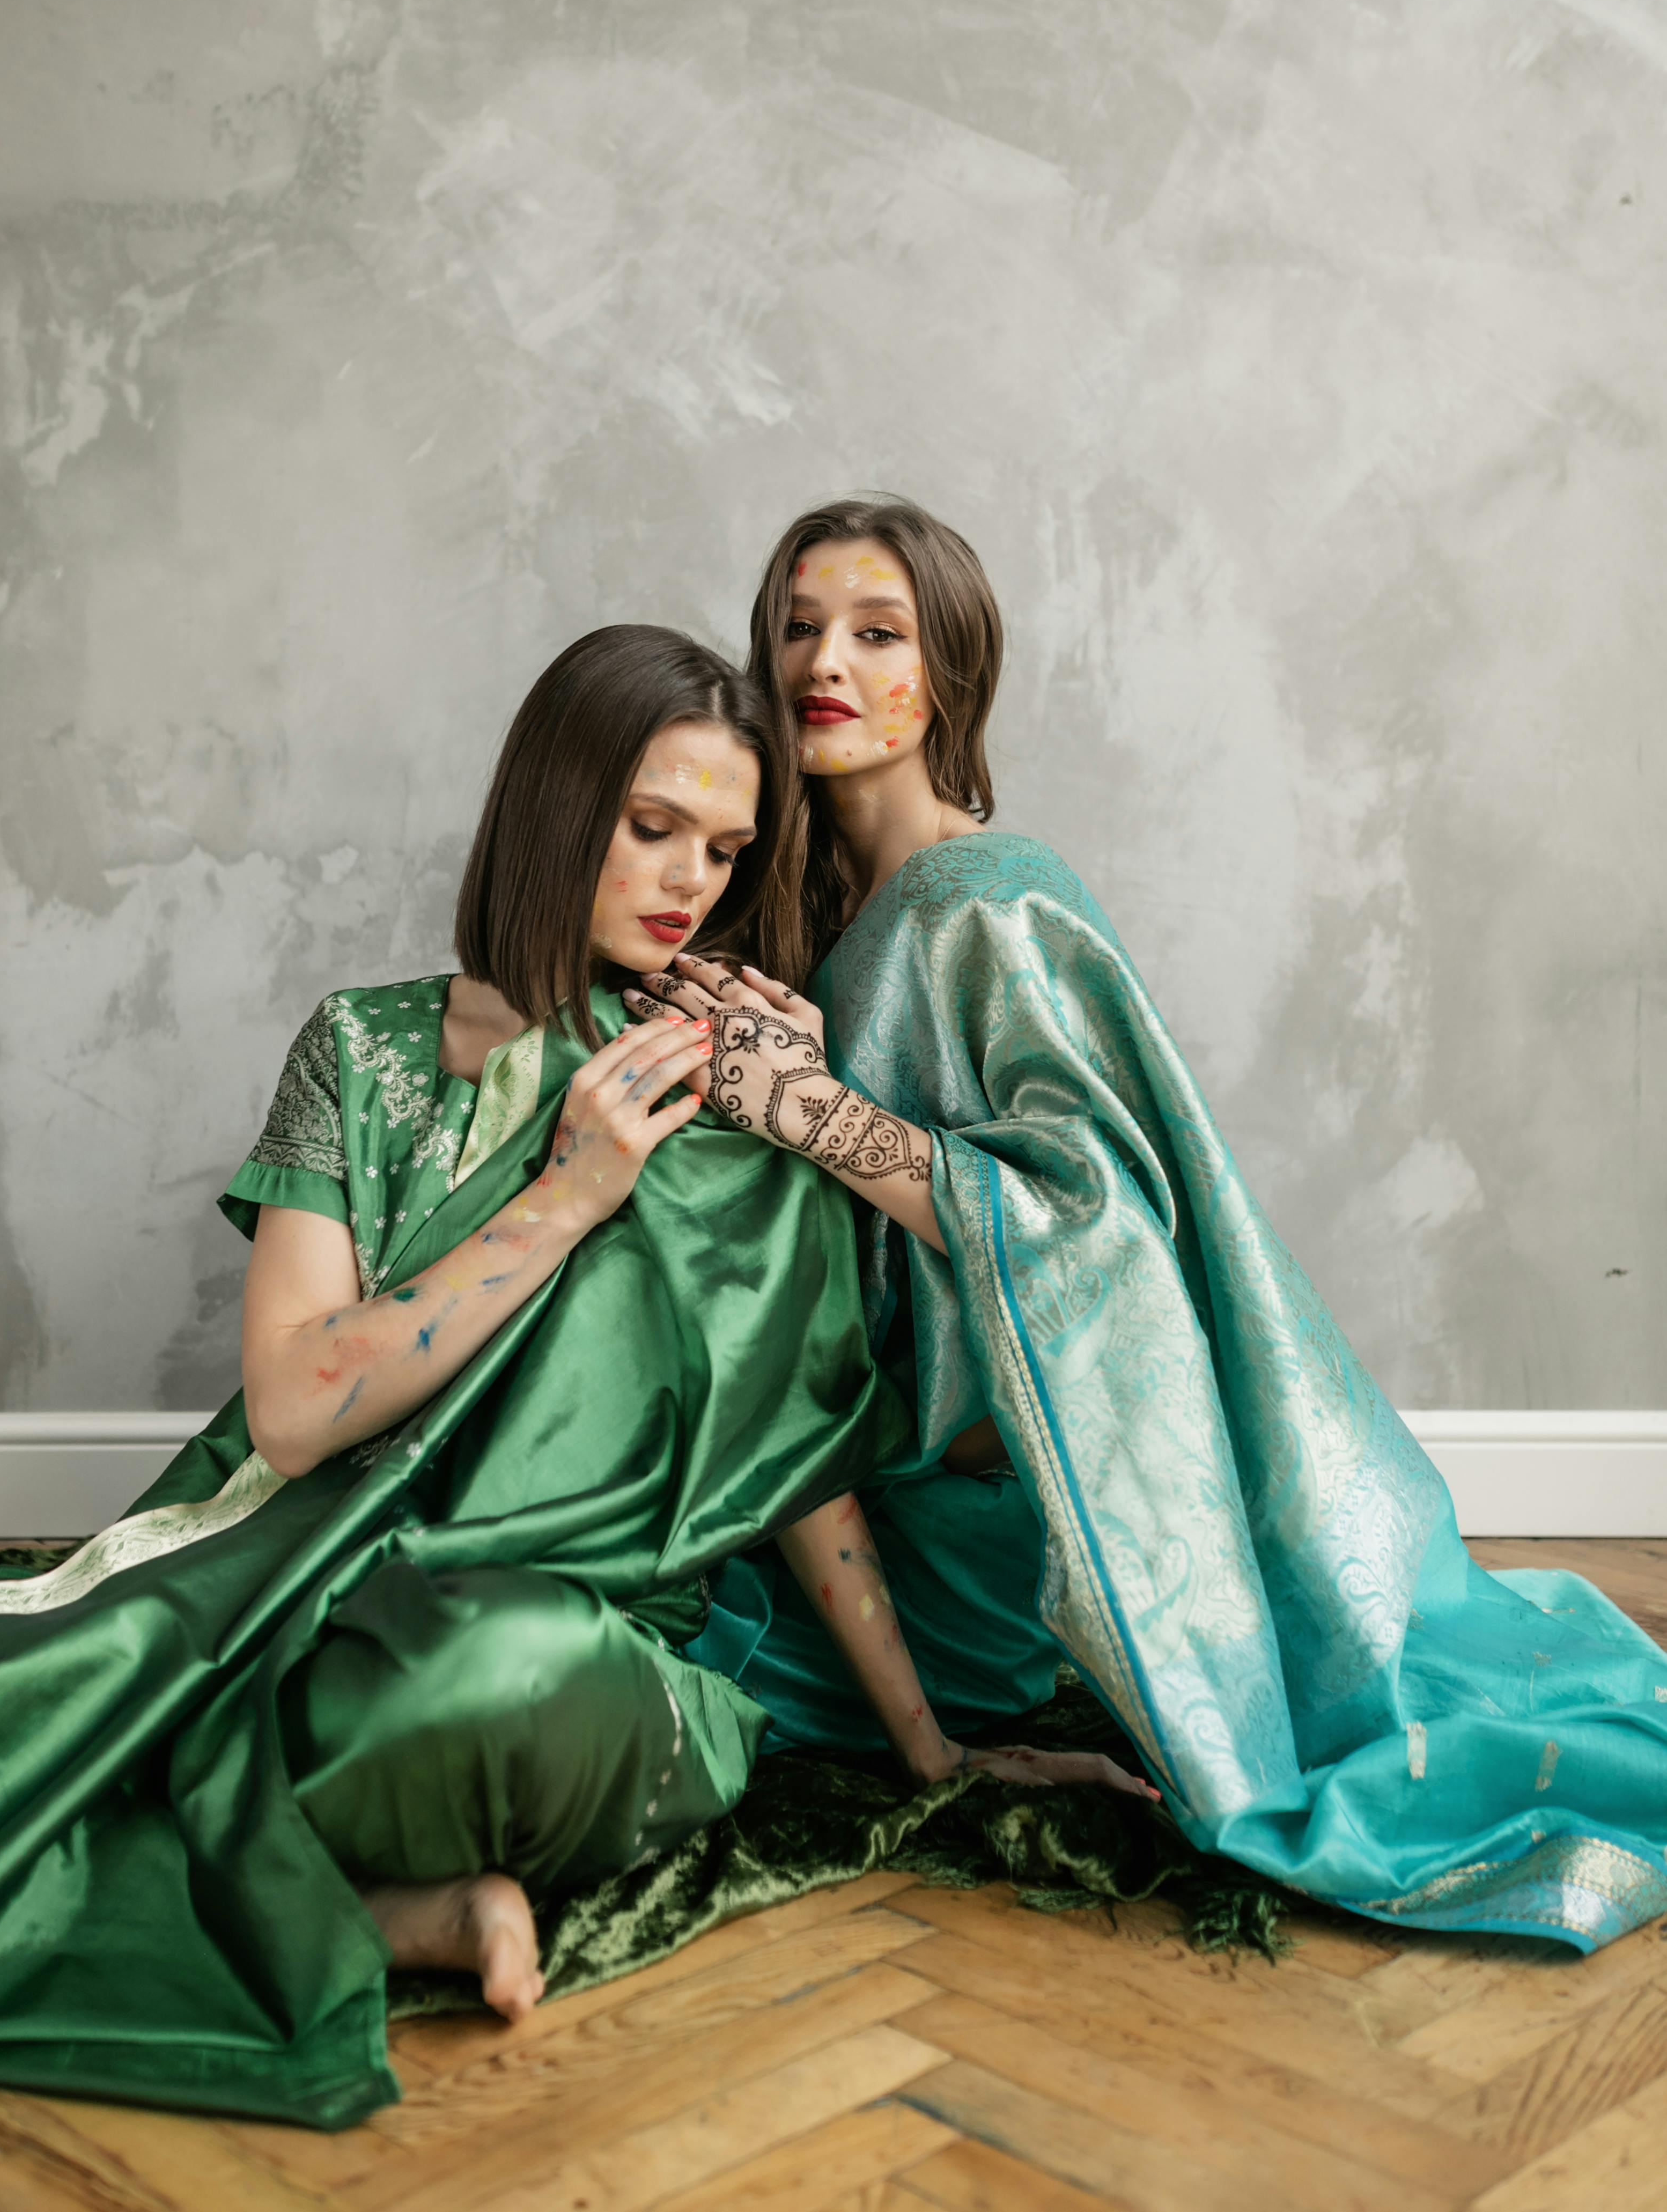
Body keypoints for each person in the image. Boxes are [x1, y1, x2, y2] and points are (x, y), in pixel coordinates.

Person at [0, 627, 923, 2129]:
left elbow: (790, 1450)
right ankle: (396, 1911)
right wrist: (568, 1193)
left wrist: (931, 1743)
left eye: (724, 846)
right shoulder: (367, 1048)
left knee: (475, 1674)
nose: (689, 879)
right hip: (292, 1582)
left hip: (571, 1653)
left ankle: (301, 1877)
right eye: (651, 828)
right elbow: (296, 1409)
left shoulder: (725, 1076)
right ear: (555, 805)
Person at [638, 499, 1667, 1952]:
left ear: (955, 675)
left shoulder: (994, 907)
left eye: (880, 634)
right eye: (800, 627)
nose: (826, 661)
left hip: (980, 1510)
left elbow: (1095, 1232)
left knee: (670, 1644)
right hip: (845, 1458)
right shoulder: (810, 911)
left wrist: (807, 1113)